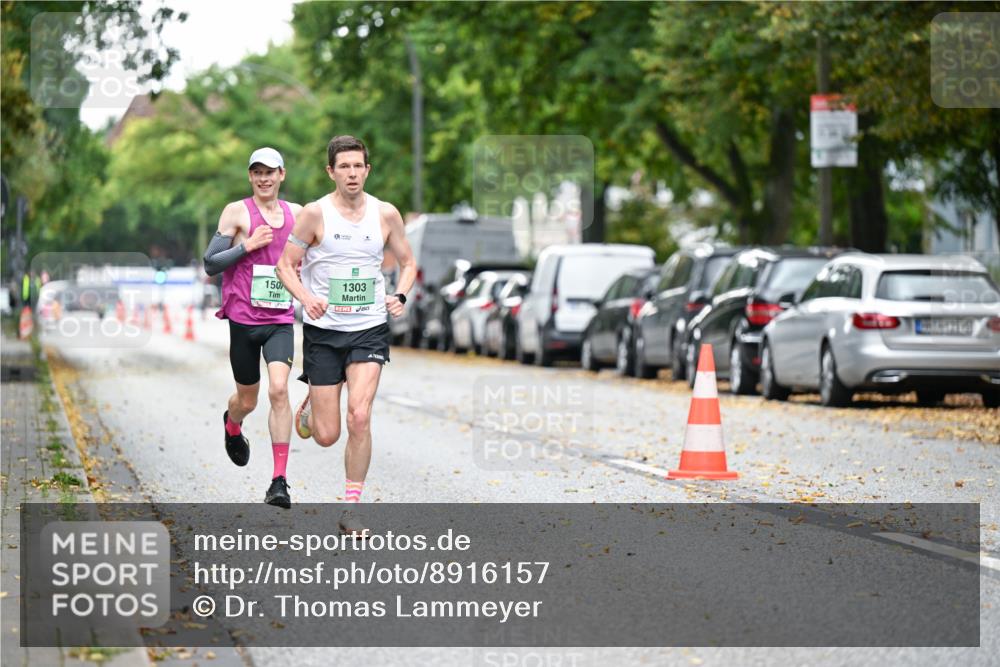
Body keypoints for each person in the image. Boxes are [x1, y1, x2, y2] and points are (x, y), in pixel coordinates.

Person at [276, 135, 415, 535]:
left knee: (359, 416)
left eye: (358, 166)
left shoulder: (386, 214)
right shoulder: (315, 215)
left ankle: (351, 509)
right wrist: (306, 299)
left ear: (367, 170)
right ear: (331, 171)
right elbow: (286, 265)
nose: (352, 173)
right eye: (344, 167)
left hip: (368, 328)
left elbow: (408, 262)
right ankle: (312, 406)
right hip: (323, 332)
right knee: (325, 434)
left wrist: (400, 294)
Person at [203, 147, 301, 509]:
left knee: (279, 390)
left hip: (279, 321)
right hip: (244, 321)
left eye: (270, 172)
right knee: (248, 399)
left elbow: (317, 256)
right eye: (257, 172)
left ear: (282, 175)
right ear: (250, 176)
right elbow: (210, 263)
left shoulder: (299, 214)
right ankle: (232, 423)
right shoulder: (236, 211)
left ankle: (279, 481)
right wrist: (247, 246)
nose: (264, 178)